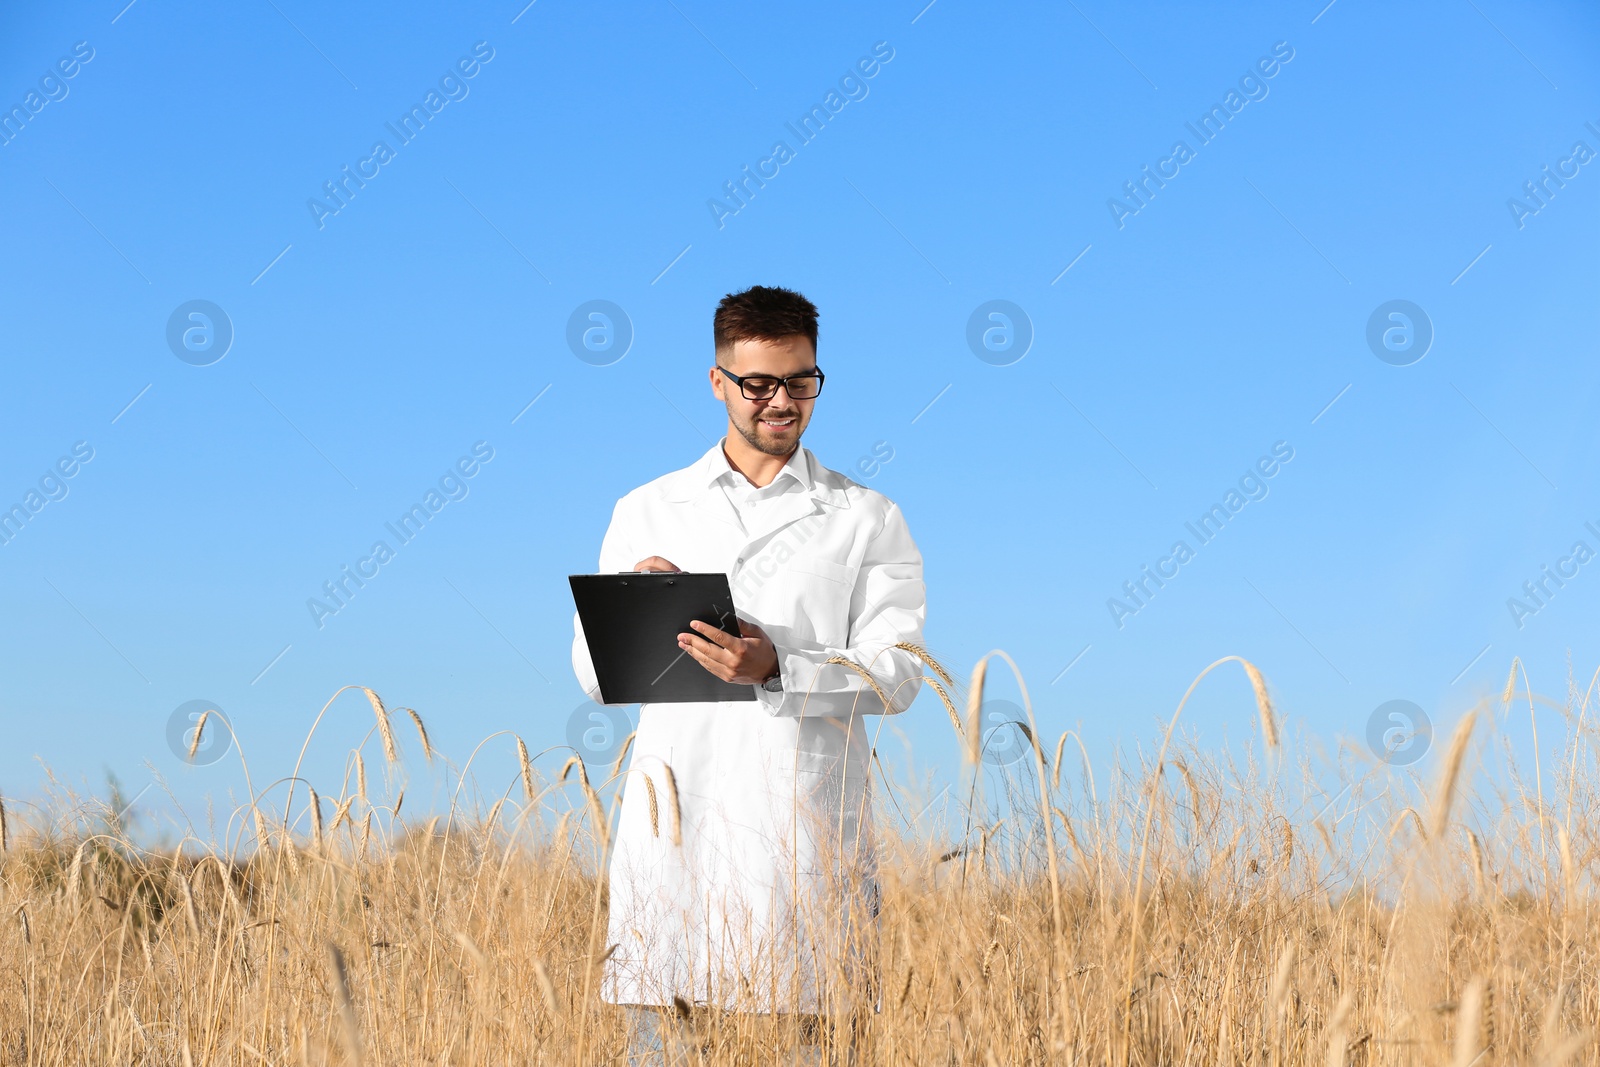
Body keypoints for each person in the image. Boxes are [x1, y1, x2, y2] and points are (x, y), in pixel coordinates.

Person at [570, 285, 929, 1064]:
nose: (782, 401)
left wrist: (782, 668)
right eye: (758, 383)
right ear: (716, 381)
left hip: (805, 847)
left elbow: (900, 672)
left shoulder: (867, 516)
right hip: (676, 843)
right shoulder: (647, 508)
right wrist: (640, 606)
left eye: (800, 381)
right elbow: (595, 678)